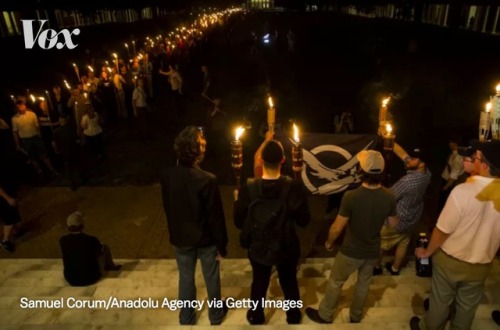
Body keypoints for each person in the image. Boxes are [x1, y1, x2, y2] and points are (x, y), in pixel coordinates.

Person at [409, 140, 500, 330]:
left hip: (451, 260)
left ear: (483, 165)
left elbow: (443, 230)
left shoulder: (463, 191)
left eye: (474, 157)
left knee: (440, 301)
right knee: (467, 307)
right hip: (482, 263)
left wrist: (427, 252)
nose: (469, 159)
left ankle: (429, 327)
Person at [306, 150, 398, 324]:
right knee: (363, 284)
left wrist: (329, 242)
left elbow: (336, 227)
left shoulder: (351, 196)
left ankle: (325, 315)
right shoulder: (389, 196)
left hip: (351, 251)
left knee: (335, 281)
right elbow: (393, 224)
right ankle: (355, 316)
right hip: (372, 251)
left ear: (361, 171)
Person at [233, 139, 310, 325]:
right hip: (285, 245)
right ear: (283, 160)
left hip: (258, 245)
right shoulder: (292, 187)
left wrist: (237, 201)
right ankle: (292, 314)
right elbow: (304, 221)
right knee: (289, 280)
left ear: (261, 161)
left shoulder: (249, 187)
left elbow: (237, 222)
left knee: (259, 280)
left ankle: (256, 315)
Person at [160, 126, 228, 325]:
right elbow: (215, 217)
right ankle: (215, 315)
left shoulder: (167, 175)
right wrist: (222, 245)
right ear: (197, 153)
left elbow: (168, 206)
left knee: (186, 277)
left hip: (181, 238)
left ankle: (186, 316)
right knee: (212, 277)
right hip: (205, 239)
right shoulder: (207, 180)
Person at [374, 146, 431, 275]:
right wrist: (392, 143)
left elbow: (389, 196)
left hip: (397, 220)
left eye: (413, 159)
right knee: (403, 243)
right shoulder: (427, 174)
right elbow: (404, 155)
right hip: (412, 218)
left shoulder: (407, 181)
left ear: (422, 163)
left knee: (382, 244)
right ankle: (395, 269)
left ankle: (376, 267)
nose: (408, 160)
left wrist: (374, 184)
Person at [59, 211, 121, 286]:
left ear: (68, 228)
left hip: (71, 279)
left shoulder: (63, 240)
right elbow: (99, 251)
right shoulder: (91, 240)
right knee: (105, 248)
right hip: (90, 277)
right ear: (82, 226)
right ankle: (111, 267)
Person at [11, 99, 58, 176]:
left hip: (36, 137)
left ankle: (52, 170)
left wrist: (39, 134)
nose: (20, 108)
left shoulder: (32, 114)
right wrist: (17, 144)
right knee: (32, 157)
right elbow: (15, 132)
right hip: (25, 140)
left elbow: (37, 126)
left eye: (22, 106)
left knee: (44, 155)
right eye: (18, 107)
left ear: (25, 106)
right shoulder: (14, 119)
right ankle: (40, 172)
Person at [438, 136, 464, 212]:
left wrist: (445, 187)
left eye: (451, 142)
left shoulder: (458, 157)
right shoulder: (453, 154)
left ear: (456, 144)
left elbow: (454, 175)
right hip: (446, 178)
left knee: (443, 202)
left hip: (449, 182)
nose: (449, 143)